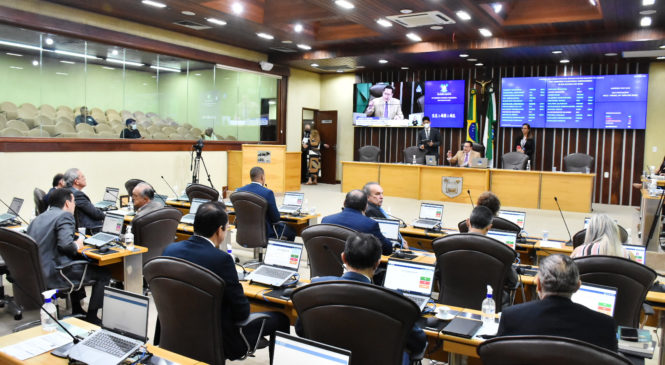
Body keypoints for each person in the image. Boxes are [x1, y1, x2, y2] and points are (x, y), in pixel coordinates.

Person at [162, 201, 290, 361]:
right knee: (282, 319)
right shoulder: (221, 260)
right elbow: (242, 312)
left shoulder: (170, 250)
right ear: (219, 230)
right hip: (219, 337)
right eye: (227, 227)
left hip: (178, 330)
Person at [296, 233, 426, 365]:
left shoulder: (316, 288)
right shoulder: (394, 300)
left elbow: (301, 330)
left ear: (343, 258)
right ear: (377, 264)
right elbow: (418, 342)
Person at [497, 254, 618, 351]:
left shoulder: (511, 316)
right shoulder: (605, 325)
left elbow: (499, 356)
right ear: (577, 286)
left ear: (538, 285)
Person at [27, 188, 111, 324]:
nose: (74, 205)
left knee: (76, 263)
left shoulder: (39, 218)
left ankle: (77, 309)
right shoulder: (65, 216)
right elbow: (66, 246)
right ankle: (92, 317)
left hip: (37, 273)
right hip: (55, 274)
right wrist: (78, 244)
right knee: (103, 273)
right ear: (67, 203)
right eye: (73, 202)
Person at [321, 189, 393, 255]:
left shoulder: (326, 220)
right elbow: (387, 250)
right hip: (358, 267)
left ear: (344, 203)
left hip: (329, 266)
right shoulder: (370, 224)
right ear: (366, 206)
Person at [236, 166, 296, 241]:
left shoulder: (239, 191)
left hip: (244, 231)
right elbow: (275, 218)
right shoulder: (267, 193)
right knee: (291, 231)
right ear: (262, 177)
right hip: (265, 233)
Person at [362, 182, 408, 249]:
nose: (381, 197)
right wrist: (401, 243)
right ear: (367, 197)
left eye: (382, 193)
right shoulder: (371, 211)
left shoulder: (374, 208)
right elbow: (386, 235)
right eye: (377, 194)